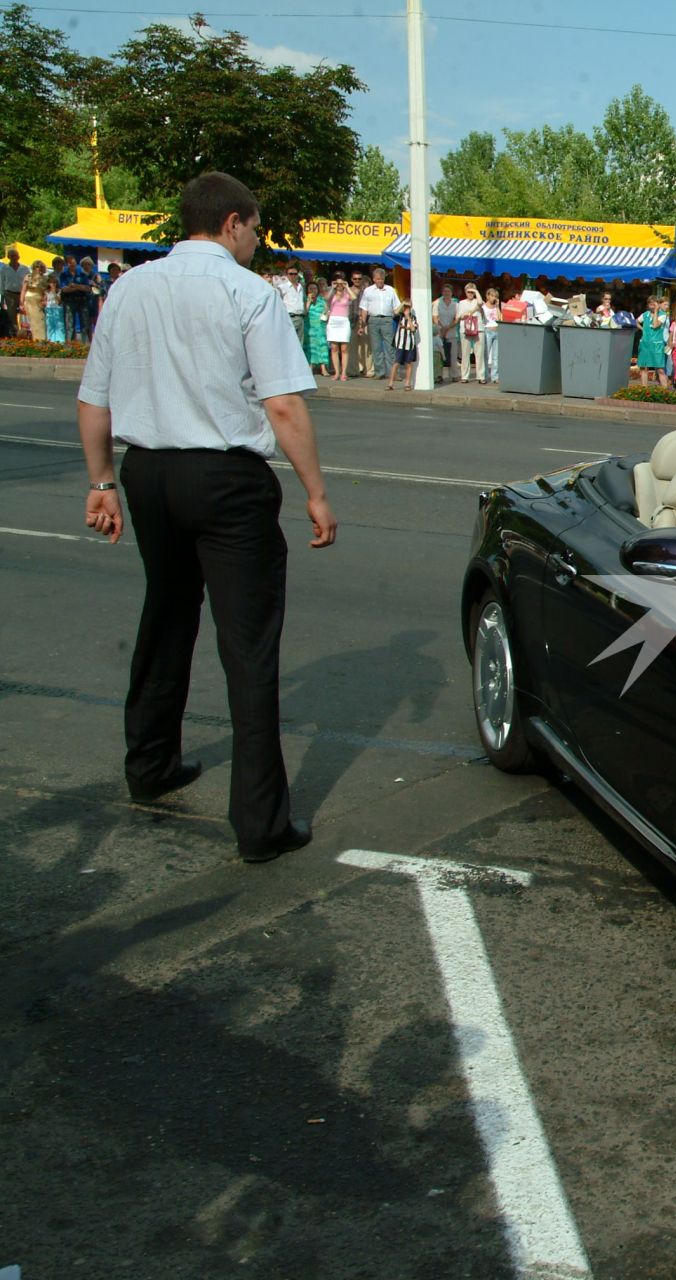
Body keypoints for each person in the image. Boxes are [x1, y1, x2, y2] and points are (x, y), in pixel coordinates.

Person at [75, 172, 337, 863]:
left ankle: (151, 763)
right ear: (230, 223)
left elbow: (94, 398)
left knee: (165, 615)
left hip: (149, 473)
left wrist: (101, 482)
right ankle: (260, 824)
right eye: (254, 227)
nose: (256, 239)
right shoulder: (247, 292)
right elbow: (282, 404)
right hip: (225, 481)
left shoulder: (128, 288)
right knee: (247, 647)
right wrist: (315, 491)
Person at [358, 266, 398, 379]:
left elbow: (396, 307)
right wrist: (362, 324)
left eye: (382, 279)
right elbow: (364, 308)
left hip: (387, 320)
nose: (380, 281)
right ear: (374, 279)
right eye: (378, 279)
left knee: (390, 347)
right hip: (373, 320)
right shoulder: (368, 291)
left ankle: (392, 373)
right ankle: (379, 372)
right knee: (376, 347)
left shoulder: (390, 290)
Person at [325, 277, 354, 381]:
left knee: (344, 348)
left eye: (341, 283)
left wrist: (347, 286)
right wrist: (332, 287)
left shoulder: (347, 294)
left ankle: (344, 373)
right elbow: (326, 298)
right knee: (334, 348)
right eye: (338, 283)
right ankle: (337, 372)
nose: (339, 285)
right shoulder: (332, 294)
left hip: (344, 321)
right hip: (333, 321)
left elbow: (354, 297)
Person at [456, 283, 485, 383]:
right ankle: (465, 376)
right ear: (465, 292)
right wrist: (466, 314)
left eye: (472, 292)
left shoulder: (477, 301)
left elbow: (481, 303)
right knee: (465, 353)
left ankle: (481, 376)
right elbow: (459, 316)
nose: (470, 294)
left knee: (479, 353)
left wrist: (476, 291)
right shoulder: (461, 302)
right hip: (465, 329)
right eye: (468, 292)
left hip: (478, 328)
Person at [637, 295, 669, 387]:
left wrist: (655, 311)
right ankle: (644, 391)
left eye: (654, 304)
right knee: (643, 368)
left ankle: (665, 393)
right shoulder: (645, 314)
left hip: (657, 345)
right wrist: (643, 329)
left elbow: (655, 325)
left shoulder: (662, 315)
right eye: (650, 304)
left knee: (660, 369)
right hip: (645, 344)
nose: (652, 306)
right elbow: (636, 322)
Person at [387, 301, 419, 390]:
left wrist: (408, 317)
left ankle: (407, 384)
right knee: (396, 363)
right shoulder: (400, 317)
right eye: (406, 307)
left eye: (409, 307)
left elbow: (413, 329)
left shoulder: (413, 318)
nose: (407, 308)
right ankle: (390, 383)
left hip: (409, 344)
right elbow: (395, 313)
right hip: (400, 343)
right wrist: (402, 304)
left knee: (408, 364)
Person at [432, 283, 458, 383]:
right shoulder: (437, 303)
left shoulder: (455, 304)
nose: (446, 293)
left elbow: (457, 318)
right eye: (444, 291)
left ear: (452, 293)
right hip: (439, 331)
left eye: (448, 291)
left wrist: (447, 328)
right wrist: (442, 328)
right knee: (439, 355)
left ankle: (454, 375)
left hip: (451, 331)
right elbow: (435, 317)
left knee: (453, 354)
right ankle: (439, 375)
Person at [303, 280, 329, 375]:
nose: (313, 290)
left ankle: (323, 368)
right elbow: (304, 312)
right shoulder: (305, 299)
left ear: (317, 290)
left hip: (320, 326)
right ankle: (310, 367)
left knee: (322, 346)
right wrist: (309, 302)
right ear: (307, 290)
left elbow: (326, 310)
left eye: (314, 288)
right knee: (310, 347)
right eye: (310, 288)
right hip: (309, 326)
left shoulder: (322, 299)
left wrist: (326, 312)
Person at [1, 246, 28, 340]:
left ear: (18, 257)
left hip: (22, 294)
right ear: (8, 257)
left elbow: (28, 282)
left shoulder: (25, 268)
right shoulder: (4, 268)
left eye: (15, 255)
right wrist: (3, 295)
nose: (14, 257)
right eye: (11, 256)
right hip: (10, 294)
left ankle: (25, 334)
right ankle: (14, 335)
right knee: (11, 316)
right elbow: (2, 282)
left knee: (24, 314)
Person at [21, 262, 48, 340]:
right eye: (37, 267)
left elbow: (46, 291)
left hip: (39, 300)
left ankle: (41, 340)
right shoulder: (28, 277)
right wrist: (21, 303)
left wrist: (45, 300)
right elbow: (23, 290)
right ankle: (35, 339)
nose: (39, 268)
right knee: (32, 321)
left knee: (40, 321)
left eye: (41, 267)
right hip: (29, 300)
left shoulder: (45, 278)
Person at [480, 288, 502, 384]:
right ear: (487, 296)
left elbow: (500, 318)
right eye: (492, 296)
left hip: (497, 330)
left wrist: (497, 306)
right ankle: (484, 375)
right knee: (486, 353)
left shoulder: (495, 307)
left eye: (495, 296)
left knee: (496, 356)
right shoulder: (484, 307)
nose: (493, 298)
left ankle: (495, 376)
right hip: (488, 330)